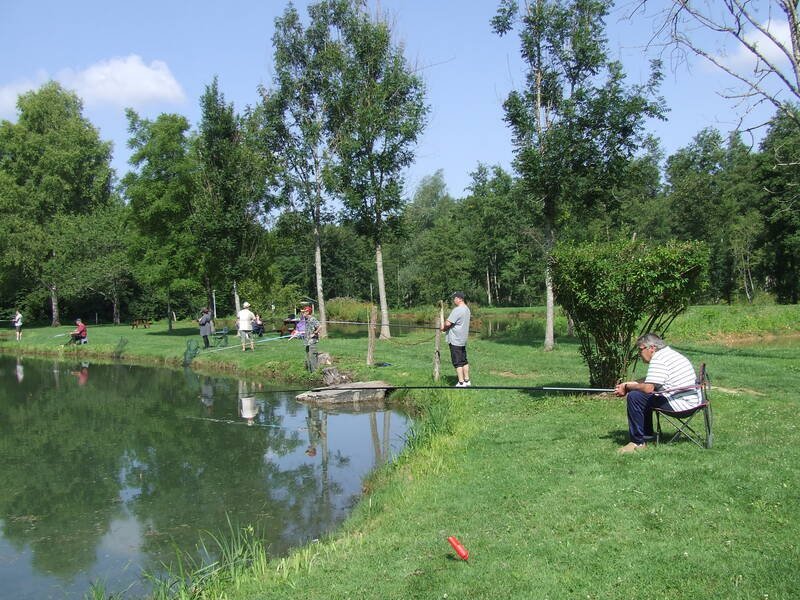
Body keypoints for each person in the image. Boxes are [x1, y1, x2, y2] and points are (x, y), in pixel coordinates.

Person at [614, 333, 701, 454]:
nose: (639, 354)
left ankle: (637, 442)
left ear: (652, 348)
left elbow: (648, 388)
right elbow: (652, 380)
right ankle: (647, 435)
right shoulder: (668, 354)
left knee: (635, 397)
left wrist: (628, 387)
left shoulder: (659, 359)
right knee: (643, 395)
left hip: (682, 404)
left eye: (640, 350)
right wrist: (630, 383)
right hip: (693, 400)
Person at [441, 291, 472, 387]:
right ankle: (467, 380)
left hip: (455, 340)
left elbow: (447, 323)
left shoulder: (457, 310)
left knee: (457, 362)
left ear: (459, 299)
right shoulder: (467, 309)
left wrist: (443, 328)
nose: (453, 300)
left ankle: (461, 382)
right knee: (464, 360)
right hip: (462, 340)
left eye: (454, 298)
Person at [299, 305, 320, 371]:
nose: (303, 313)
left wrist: (314, 333)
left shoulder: (312, 319)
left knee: (312, 356)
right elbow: (301, 317)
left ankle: (314, 372)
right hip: (307, 340)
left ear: (308, 312)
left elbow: (320, 326)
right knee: (307, 355)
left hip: (312, 340)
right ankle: (309, 371)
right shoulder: (306, 319)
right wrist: (302, 312)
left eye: (304, 312)